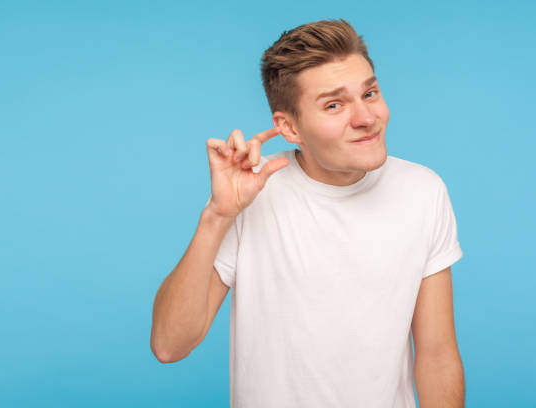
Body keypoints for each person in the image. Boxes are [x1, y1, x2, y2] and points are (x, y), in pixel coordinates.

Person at [150, 19, 465, 408]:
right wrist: (218, 215)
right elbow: (169, 344)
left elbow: (436, 355)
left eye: (370, 93)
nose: (366, 117)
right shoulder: (257, 194)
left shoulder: (423, 191)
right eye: (334, 105)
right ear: (289, 128)